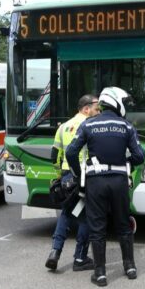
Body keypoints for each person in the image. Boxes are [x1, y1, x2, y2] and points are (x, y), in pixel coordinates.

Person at [66, 86, 145, 287]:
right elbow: (140, 156)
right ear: (116, 101)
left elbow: (70, 152)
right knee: (123, 224)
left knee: (97, 226)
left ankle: (100, 273)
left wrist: (78, 173)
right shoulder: (126, 126)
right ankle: (130, 267)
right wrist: (125, 164)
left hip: (96, 182)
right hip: (119, 182)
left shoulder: (88, 124)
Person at [45, 94, 101, 272]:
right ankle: (80, 257)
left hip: (67, 176)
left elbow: (54, 156)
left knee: (67, 213)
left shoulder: (63, 127)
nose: (99, 111)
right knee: (85, 215)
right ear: (86, 109)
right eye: (97, 108)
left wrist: (60, 175)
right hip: (85, 175)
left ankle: (55, 252)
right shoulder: (91, 125)